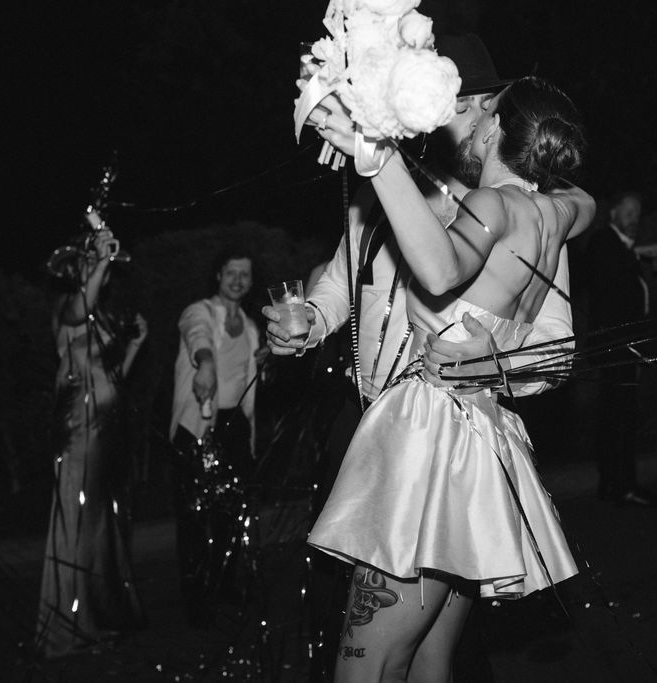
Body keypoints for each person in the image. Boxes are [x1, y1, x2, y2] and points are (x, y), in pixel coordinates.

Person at [266, 34, 584, 682]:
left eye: (471, 100)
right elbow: (339, 279)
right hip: (368, 433)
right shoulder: (386, 194)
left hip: (440, 445)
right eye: (448, 99)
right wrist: (306, 323)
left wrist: (488, 361)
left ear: (493, 110)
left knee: (399, 656)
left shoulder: (516, 205)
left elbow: (557, 347)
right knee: (401, 648)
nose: (453, 112)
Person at [36, 228, 147, 657]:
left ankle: (100, 614)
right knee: (78, 519)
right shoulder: (68, 308)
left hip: (107, 425)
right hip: (79, 427)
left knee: (101, 522)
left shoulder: (99, 316)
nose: (96, 271)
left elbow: (114, 376)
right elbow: (81, 307)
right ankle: (68, 624)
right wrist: (101, 260)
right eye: (87, 263)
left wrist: (134, 345)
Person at [170, 247, 264, 627]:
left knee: (232, 514)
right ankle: (196, 599)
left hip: (235, 427)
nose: (238, 280)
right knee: (194, 517)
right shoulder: (200, 311)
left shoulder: (253, 326)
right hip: (197, 426)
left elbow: (249, 379)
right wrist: (206, 363)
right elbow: (197, 337)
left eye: (244, 274)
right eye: (231, 273)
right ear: (218, 276)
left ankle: (226, 584)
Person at [579, 191, 657, 505]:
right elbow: (605, 277)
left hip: (628, 346)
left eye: (637, 213)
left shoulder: (625, 248)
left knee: (622, 415)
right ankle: (618, 484)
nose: (634, 219)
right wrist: (636, 253)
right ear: (614, 213)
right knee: (617, 416)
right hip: (614, 346)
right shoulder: (604, 240)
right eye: (628, 212)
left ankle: (620, 483)